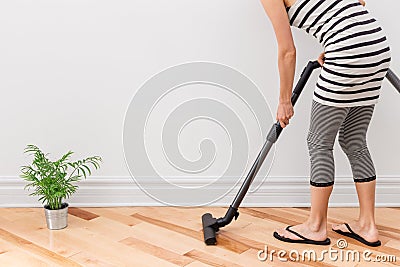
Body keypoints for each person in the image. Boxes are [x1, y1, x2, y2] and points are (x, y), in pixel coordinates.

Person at [260, 0, 391, 246]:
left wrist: (284, 100)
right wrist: (340, 41)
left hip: (347, 50)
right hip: (377, 46)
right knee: (354, 140)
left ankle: (316, 226)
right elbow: (359, 2)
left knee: (319, 142)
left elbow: (288, 50)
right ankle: (367, 225)